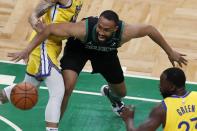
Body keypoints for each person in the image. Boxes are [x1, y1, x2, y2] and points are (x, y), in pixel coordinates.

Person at [7, 10, 187, 118]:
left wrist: (170, 51)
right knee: (67, 88)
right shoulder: (83, 29)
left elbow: (150, 30)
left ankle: (111, 96)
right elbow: (50, 29)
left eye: (106, 30)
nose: (101, 31)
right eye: (99, 27)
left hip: (107, 53)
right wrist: (27, 50)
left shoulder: (125, 32)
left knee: (122, 92)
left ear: (115, 29)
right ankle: (54, 127)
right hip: (79, 49)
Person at [0, 0, 83, 131]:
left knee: (29, 87)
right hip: (44, 45)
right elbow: (34, 14)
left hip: (53, 46)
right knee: (58, 91)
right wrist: (35, 22)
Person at [120, 67, 197, 131]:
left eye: (162, 83)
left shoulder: (162, 109)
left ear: (172, 87)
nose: (159, 86)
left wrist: (128, 119)